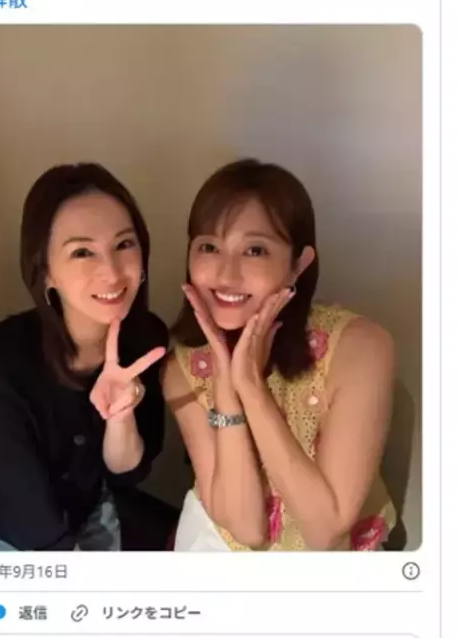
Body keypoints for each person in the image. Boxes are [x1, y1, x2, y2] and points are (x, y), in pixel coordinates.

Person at [164, 158, 396, 551]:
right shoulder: (181, 369)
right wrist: (226, 389)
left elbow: (326, 533)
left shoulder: (360, 348)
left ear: (297, 266)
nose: (226, 274)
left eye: (255, 250)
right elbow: (248, 531)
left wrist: (251, 388)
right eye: (209, 247)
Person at [0, 163, 167, 550]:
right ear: (46, 272)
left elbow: (127, 474)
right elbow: (34, 528)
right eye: (82, 252)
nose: (112, 272)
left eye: (124, 244)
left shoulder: (146, 339)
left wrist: (121, 418)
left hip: (89, 512)